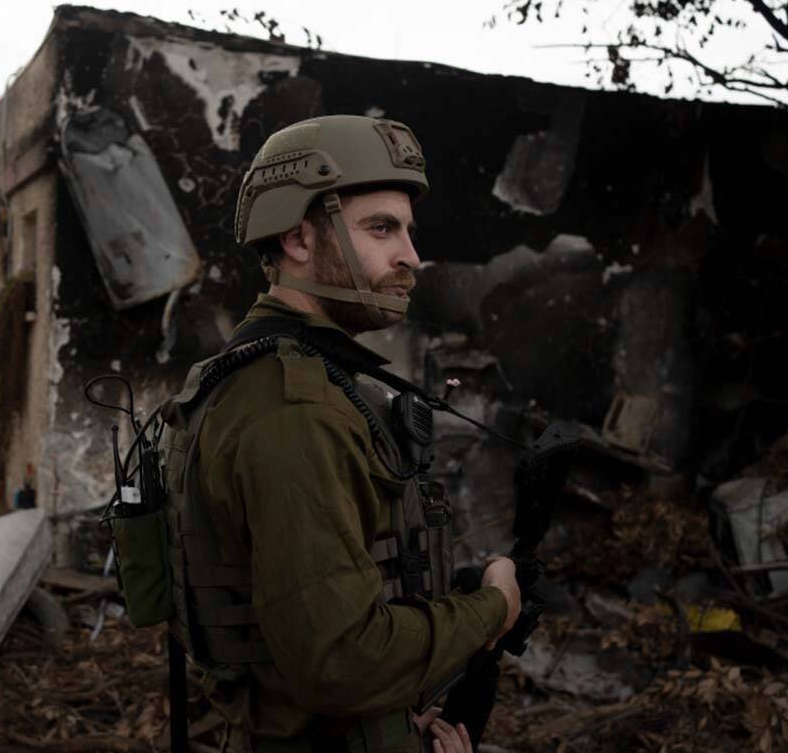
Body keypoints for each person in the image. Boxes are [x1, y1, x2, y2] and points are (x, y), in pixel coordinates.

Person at [164, 115, 521, 753]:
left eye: (408, 230)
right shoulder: (292, 407)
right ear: (300, 237)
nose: (410, 256)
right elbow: (340, 662)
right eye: (381, 228)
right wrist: (494, 607)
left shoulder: (272, 376)